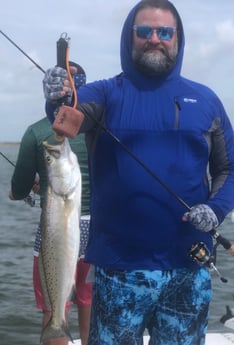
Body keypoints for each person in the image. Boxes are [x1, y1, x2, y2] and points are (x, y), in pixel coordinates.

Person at [42, 1, 234, 344]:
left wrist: (216, 209)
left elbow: (229, 168)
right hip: (119, 270)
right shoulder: (104, 93)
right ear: (129, 37)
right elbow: (69, 115)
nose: (154, 38)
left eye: (164, 32)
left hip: (188, 270)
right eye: (144, 31)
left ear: (178, 38)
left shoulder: (206, 101)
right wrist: (58, 97)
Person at [9, 67, 92, 345]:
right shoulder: (96, 129)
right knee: (89, 300)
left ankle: (55, 329)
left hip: (55, 228)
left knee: (54, 306)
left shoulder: (36, 132)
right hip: (98, 230)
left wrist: (26, 188)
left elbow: (19, 188)